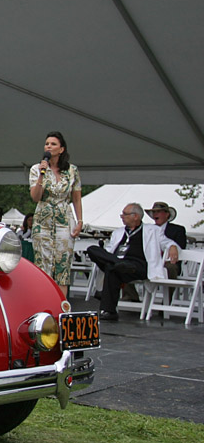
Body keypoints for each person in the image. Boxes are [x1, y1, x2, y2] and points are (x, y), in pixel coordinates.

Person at [86, 203, 179, 321]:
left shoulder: (153, 230)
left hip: (138, 266)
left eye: (125, 214)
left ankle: (109, 310)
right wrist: (113, 260)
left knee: (111, 268)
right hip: (120, 263)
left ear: (136, 216)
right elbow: (109, 251)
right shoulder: (118, 232)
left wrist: (172, 246)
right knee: (92, 250)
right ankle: (118, 264)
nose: (121, 216)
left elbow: (167, 242)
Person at [29, 131, 83, 297]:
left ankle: (61, 309)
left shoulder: (72, 171)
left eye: (53, 144)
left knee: (62, 265)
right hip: (43, 221)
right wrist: (41, 176)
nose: (48, 147)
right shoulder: (36, 169)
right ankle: (43, 308)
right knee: (43, 264)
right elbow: (35, 197)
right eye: (47, 144)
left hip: (64, 220)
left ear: (61, 149)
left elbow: (76, 198)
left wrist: (80, 220)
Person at [146, 201, 187, 278]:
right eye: (154, 212)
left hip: (170, 262)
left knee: (170, 268)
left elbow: (180, 248)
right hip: (151, 262)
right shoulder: (149, 230)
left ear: (167, 214)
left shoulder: (177, 229)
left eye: (158, 212)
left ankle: (169, 290)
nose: (155, 214)